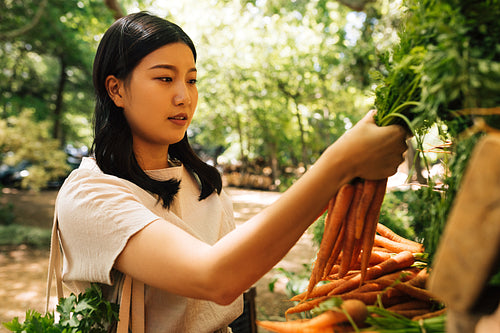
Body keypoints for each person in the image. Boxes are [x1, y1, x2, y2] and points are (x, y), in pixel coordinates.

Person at [52, 11, 408, 333]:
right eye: (164, 79)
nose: (184, 97)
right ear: (116, 89)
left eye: (191, 80)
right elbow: (215, 277)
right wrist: (340, 164)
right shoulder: (91, 195)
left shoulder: (201, 184)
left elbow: (234, 282)